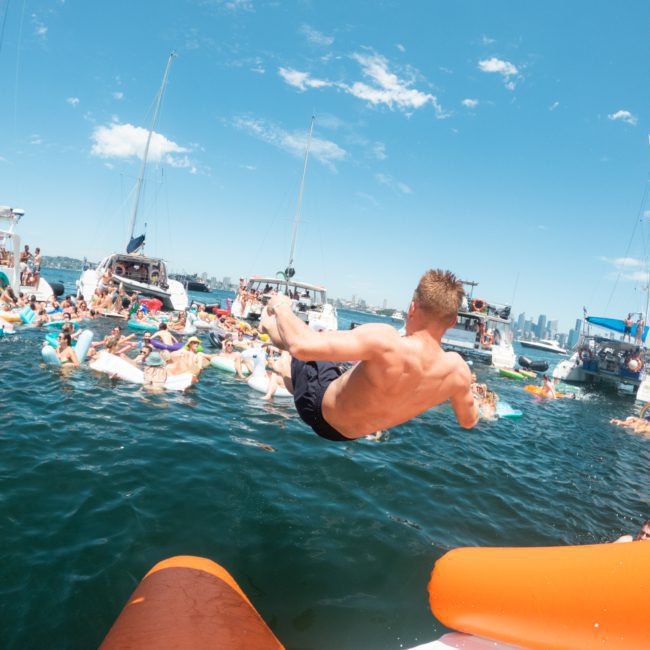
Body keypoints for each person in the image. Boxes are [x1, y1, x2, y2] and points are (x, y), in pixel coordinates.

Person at [259, 269, 479, 441]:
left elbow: (300, 344)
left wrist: (280, 305)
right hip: (348, 435)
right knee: (321, 364)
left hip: (316, 405)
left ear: (412, 308)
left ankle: (267, 325)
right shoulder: (458, 372)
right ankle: (285, 370)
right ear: (451, 322)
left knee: (303, 346)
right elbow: (469, 421)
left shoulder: (387, 341)